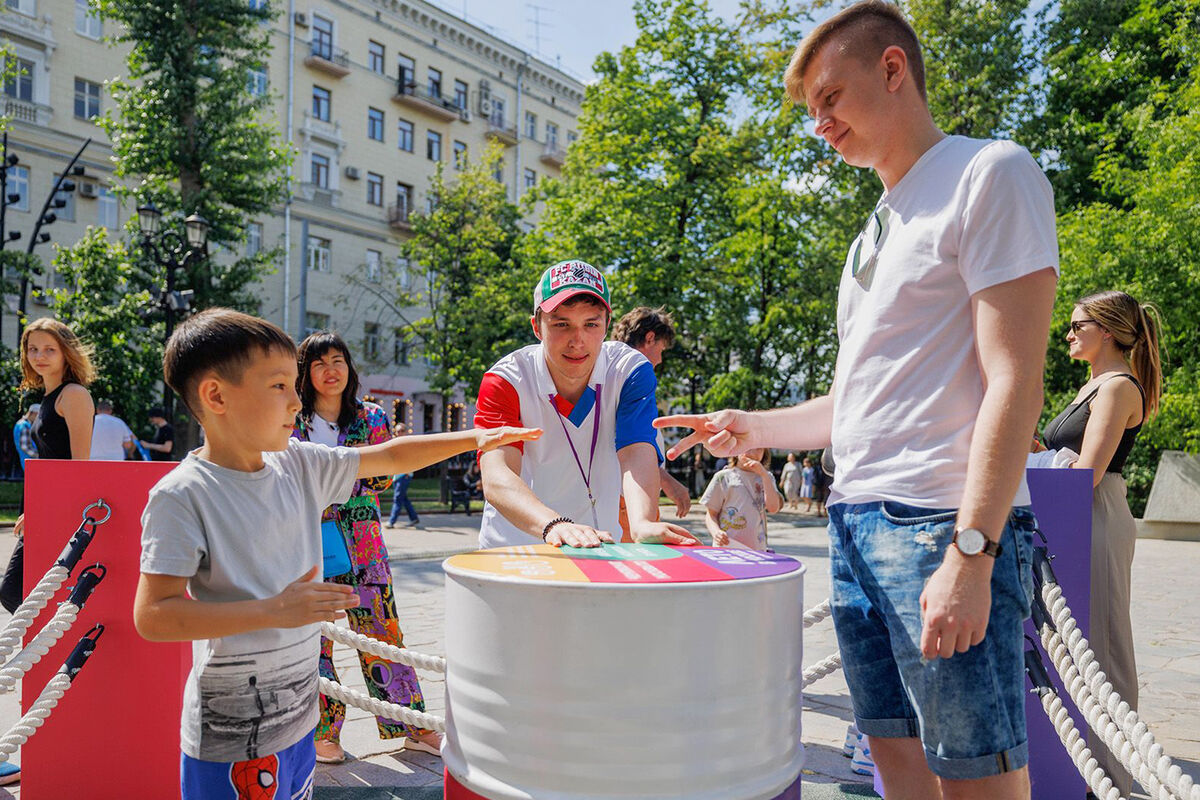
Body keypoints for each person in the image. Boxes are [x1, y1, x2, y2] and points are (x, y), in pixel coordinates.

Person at [658, 4, 1059, 797]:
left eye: (831, 98)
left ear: (892, 69)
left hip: (941, 525)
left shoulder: (991, 171)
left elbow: (1015, 377)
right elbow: (856, 401)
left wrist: (971, 554)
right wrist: (752, 426)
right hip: (855, 524)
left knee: (979, 782)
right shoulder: (871, 231)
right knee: (896, 773)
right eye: (812, 111)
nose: (821, 124)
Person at [133, 308, 537, 799]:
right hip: (233, 737)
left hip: (299, 721)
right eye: (279, 385)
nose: (295, 398)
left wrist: (477, 438)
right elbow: (153, 615)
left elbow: (388, 456)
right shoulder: (182, 495)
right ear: (216, 396)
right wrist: (274, 610)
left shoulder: (299, 463)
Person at [290, 331, 442, 763]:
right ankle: (324, 733)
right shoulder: (292, 419)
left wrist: (330, 486)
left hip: (364, 547)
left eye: (337, 360)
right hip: (307, 545)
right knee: (315, 641)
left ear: (349, 368)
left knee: (383, 634)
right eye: (319, 363)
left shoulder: (371, 417)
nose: (330, 370)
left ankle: (412, 726)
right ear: (306, 372)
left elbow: (380, 478)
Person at [472, 259, 697, 550]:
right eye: (561, 324)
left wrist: (642, 523)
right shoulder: (506, 379)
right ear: (537, 327)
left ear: (606, 324)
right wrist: (553, 524)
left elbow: (636, 450)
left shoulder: (630, 371)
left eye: (590, 324)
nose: (577, 340)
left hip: (597, 545)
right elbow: (497, 476)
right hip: (517, 547)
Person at [1040, 291, 1162, 797]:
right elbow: (1061, 458)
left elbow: (1085, 472)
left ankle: (1110, 777)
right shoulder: (1091, 385)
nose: (1067, 334)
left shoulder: (1115, 388)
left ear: (1106, 330)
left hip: (1096, 515)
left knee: (1104, 646)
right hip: (1070, 516)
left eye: (1075, 325)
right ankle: (1081, 762)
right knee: (1074, 643)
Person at [0, 318, 97, 786]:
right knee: (14, 594)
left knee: (15, 591)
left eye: (48, 349)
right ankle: (57, 648)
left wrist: (50, 516)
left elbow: (80, 470)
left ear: (66, 353)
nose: (39, 357)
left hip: (64, 519)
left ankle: (64, 643)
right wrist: (30, 510)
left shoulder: (73, 397)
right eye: (33, 349)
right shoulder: (44, 399)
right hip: (44, 514)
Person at [611, 306, 692, 521]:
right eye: (662, 349)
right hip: (627, 497)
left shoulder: (607, 367)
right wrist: (666, 480)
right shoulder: (638, 371)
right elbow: (629, 444)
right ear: (650, 338)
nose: (660, 359)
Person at [701, 448, 782, 550]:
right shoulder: (723, 477)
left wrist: (764, 475)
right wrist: (716, 532)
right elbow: (711, 514)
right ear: (735, 450)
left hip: (756, 548)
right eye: (747, 448)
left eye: (758, 449)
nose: (752, 453)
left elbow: (773, 508)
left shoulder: (767, 477)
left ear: (765, 452)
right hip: (727, 547)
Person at [385, 423, 421, 529]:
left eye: (401, 431)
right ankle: (414, 518)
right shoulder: (395, 443)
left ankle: (391, 521)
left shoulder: (408, 444)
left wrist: (407, 472)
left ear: (405, 432)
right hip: (397, 476)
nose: (399, 433)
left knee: (397, 498)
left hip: (404, 475)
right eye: (397, 431)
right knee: (403, 499)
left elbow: (413, 459)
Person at [11, 405, 38, 476]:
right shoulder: (24, 426)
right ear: (33, 413)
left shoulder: (20, 423)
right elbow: (25, 446)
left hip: (25, 460)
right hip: (31, 460)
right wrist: (38, 456)